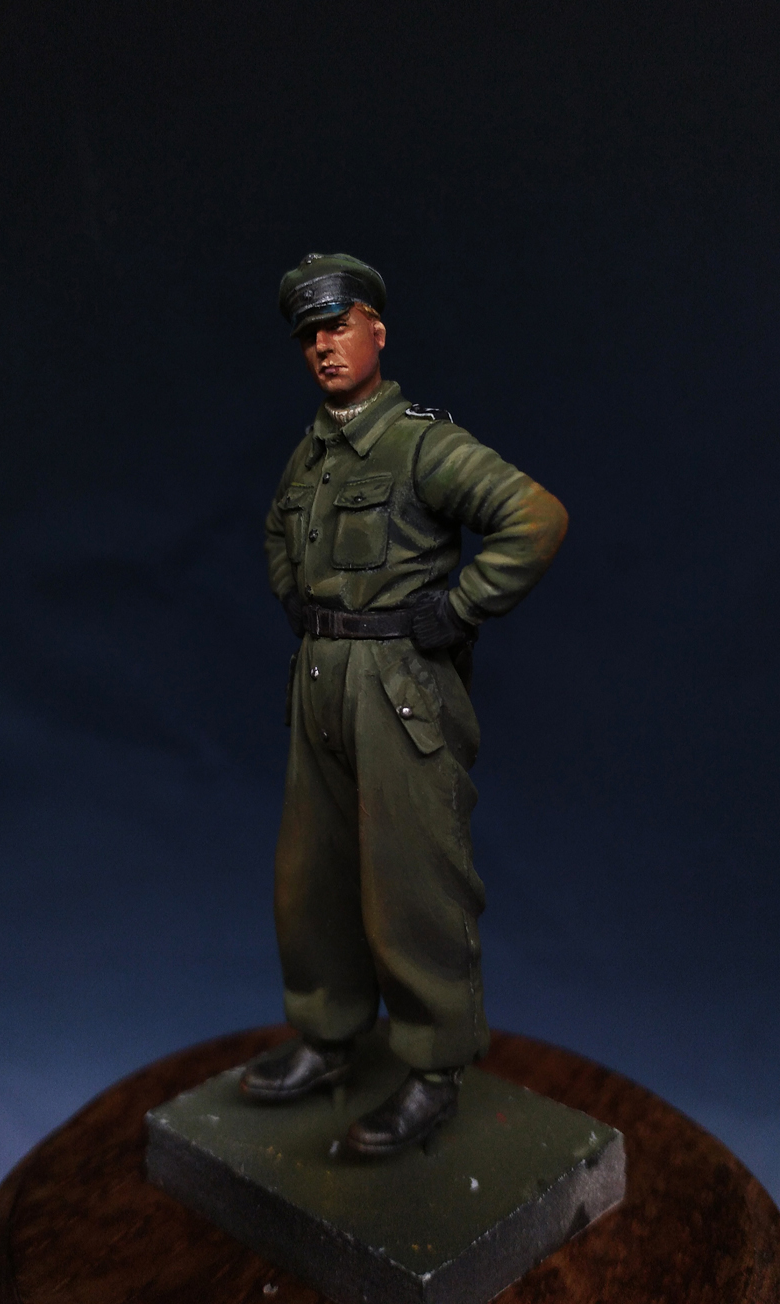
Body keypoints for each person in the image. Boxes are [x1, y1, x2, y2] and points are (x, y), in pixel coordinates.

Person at [240, 252, 568, 1155]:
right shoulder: (313, 450)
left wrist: (458, 609)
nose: (323, 347)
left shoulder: (421, 443)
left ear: (377, 331)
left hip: (398, 689)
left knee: (412, 881)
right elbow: (277, 532)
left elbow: (535, 518)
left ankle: (434, 1065)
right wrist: (300, 603)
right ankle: (328, 1033)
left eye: (338, 326)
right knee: (311, 878)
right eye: (309, 335)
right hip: (320, 681)